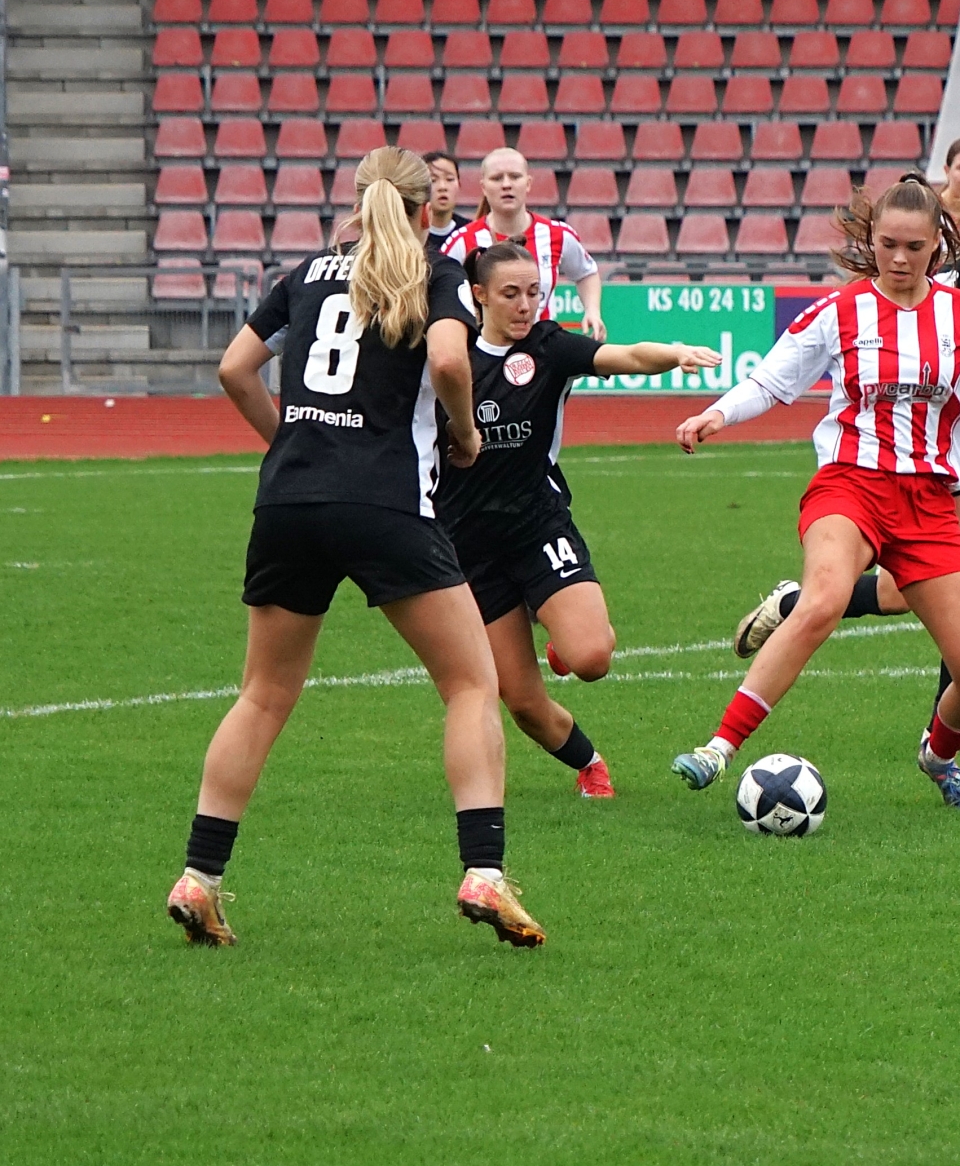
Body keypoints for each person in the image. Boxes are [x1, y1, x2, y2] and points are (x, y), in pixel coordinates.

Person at [166, 148, 546, 949]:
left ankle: (199, 877)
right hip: (384, 500)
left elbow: (235, 368)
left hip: (288, 500)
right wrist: (465, 433)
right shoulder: (435, 272)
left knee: (262, 693)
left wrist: (288, 445)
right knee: (470, 682)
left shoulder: (305, 274)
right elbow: (449, 358)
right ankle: (483, 869)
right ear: (423, 208)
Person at [669, 174, 960, 812]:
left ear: (937, 247)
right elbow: (769, 381)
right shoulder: (838, 311)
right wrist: (717, 414)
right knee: (822, 600)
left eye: (914, 247)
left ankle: (939, 757)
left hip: (928, 503)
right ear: (871, 240)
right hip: (849, 485)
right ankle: (719, 746)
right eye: (887, 245)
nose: (899, 259)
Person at [436, 241, 720, 799]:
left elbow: (626, 356)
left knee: (590, 658)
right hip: (468, 543)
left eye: (533, 292)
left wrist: (674, 352)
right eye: (511, 294)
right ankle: (589, 763)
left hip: (537, 527)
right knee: (522, 702)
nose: (525, 305)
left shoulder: (548, 346)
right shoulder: (449, 356)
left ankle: (559, 630)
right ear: (479, 295)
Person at [441, 147, 606, 340]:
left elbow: (586, 273)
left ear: (528, 183)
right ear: (483, 188)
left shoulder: (558, 235)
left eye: (515, 177)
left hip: (542, 347)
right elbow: (438, 290)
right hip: (483, 349)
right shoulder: (462, 241)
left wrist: (592, 311)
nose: (506, 185)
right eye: (497, 178)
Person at [422, 151, 469, 247]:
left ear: (459, 185)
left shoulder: (470, 232)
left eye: (449, 179)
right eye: (433, 180)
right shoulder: (410, 233)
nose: (442, 187)